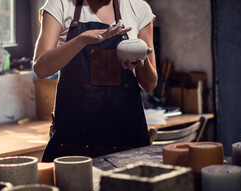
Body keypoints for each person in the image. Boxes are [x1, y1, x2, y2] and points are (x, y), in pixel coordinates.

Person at [33, 0, 158, 162]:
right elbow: (41, 69)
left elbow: (149, 84)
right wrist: (81, 40)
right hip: (74, 142)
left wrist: (142, 61)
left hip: (126, 140)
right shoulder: (60, 4)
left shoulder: (138, 8)